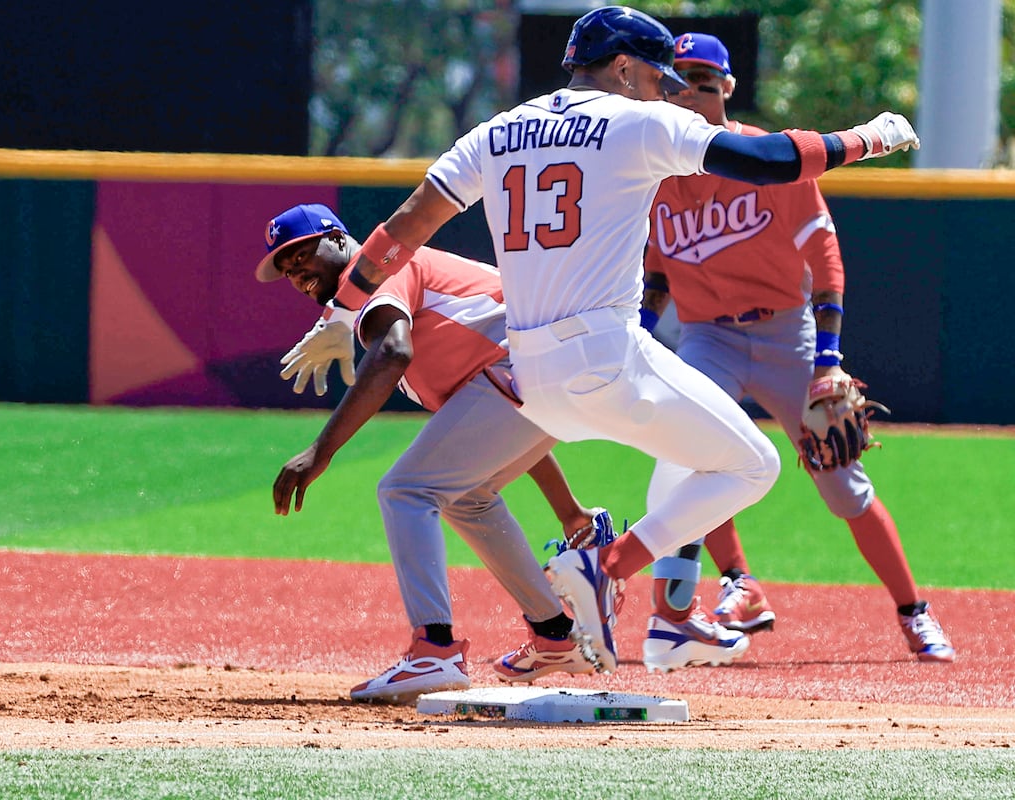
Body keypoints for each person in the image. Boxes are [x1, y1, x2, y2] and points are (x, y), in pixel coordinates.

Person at [285, 5, 922, 674]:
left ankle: (617, 597)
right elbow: (767, 159)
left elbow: (404, 228)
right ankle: (606, 565)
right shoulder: (638, 121)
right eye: (657, 77)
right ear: (624, 68)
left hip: (531, 381)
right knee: (751, 466)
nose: (666, 90)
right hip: (607, 359)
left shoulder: (496, 132)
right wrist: (867, 138)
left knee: (480, 485)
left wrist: (340, 310)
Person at [639, 32, 954, 663]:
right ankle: (739, 585)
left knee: (844, 484)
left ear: (727, 88)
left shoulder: (765, 157)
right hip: (709, 336)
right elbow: (656, 275)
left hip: (786, 333)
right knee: (694, 457)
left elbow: (824, 257)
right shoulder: (652, 175)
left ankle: (914, 611)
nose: (692, 91)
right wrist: (641, 339)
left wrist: (828, 359)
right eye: (679, 80)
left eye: (705, 80)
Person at [258, 202, 612, 703]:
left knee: (405, 490)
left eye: (301, 254)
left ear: (339, 240)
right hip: (554, 370)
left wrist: (321, 451)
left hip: (531, 365)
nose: (295, 273)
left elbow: (394, 352)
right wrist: (568, 513)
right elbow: (498, 431)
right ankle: (555, 634)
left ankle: (434, 650)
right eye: (285, 267)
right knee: (467, 495)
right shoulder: (391, 301)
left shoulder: (379, 270)